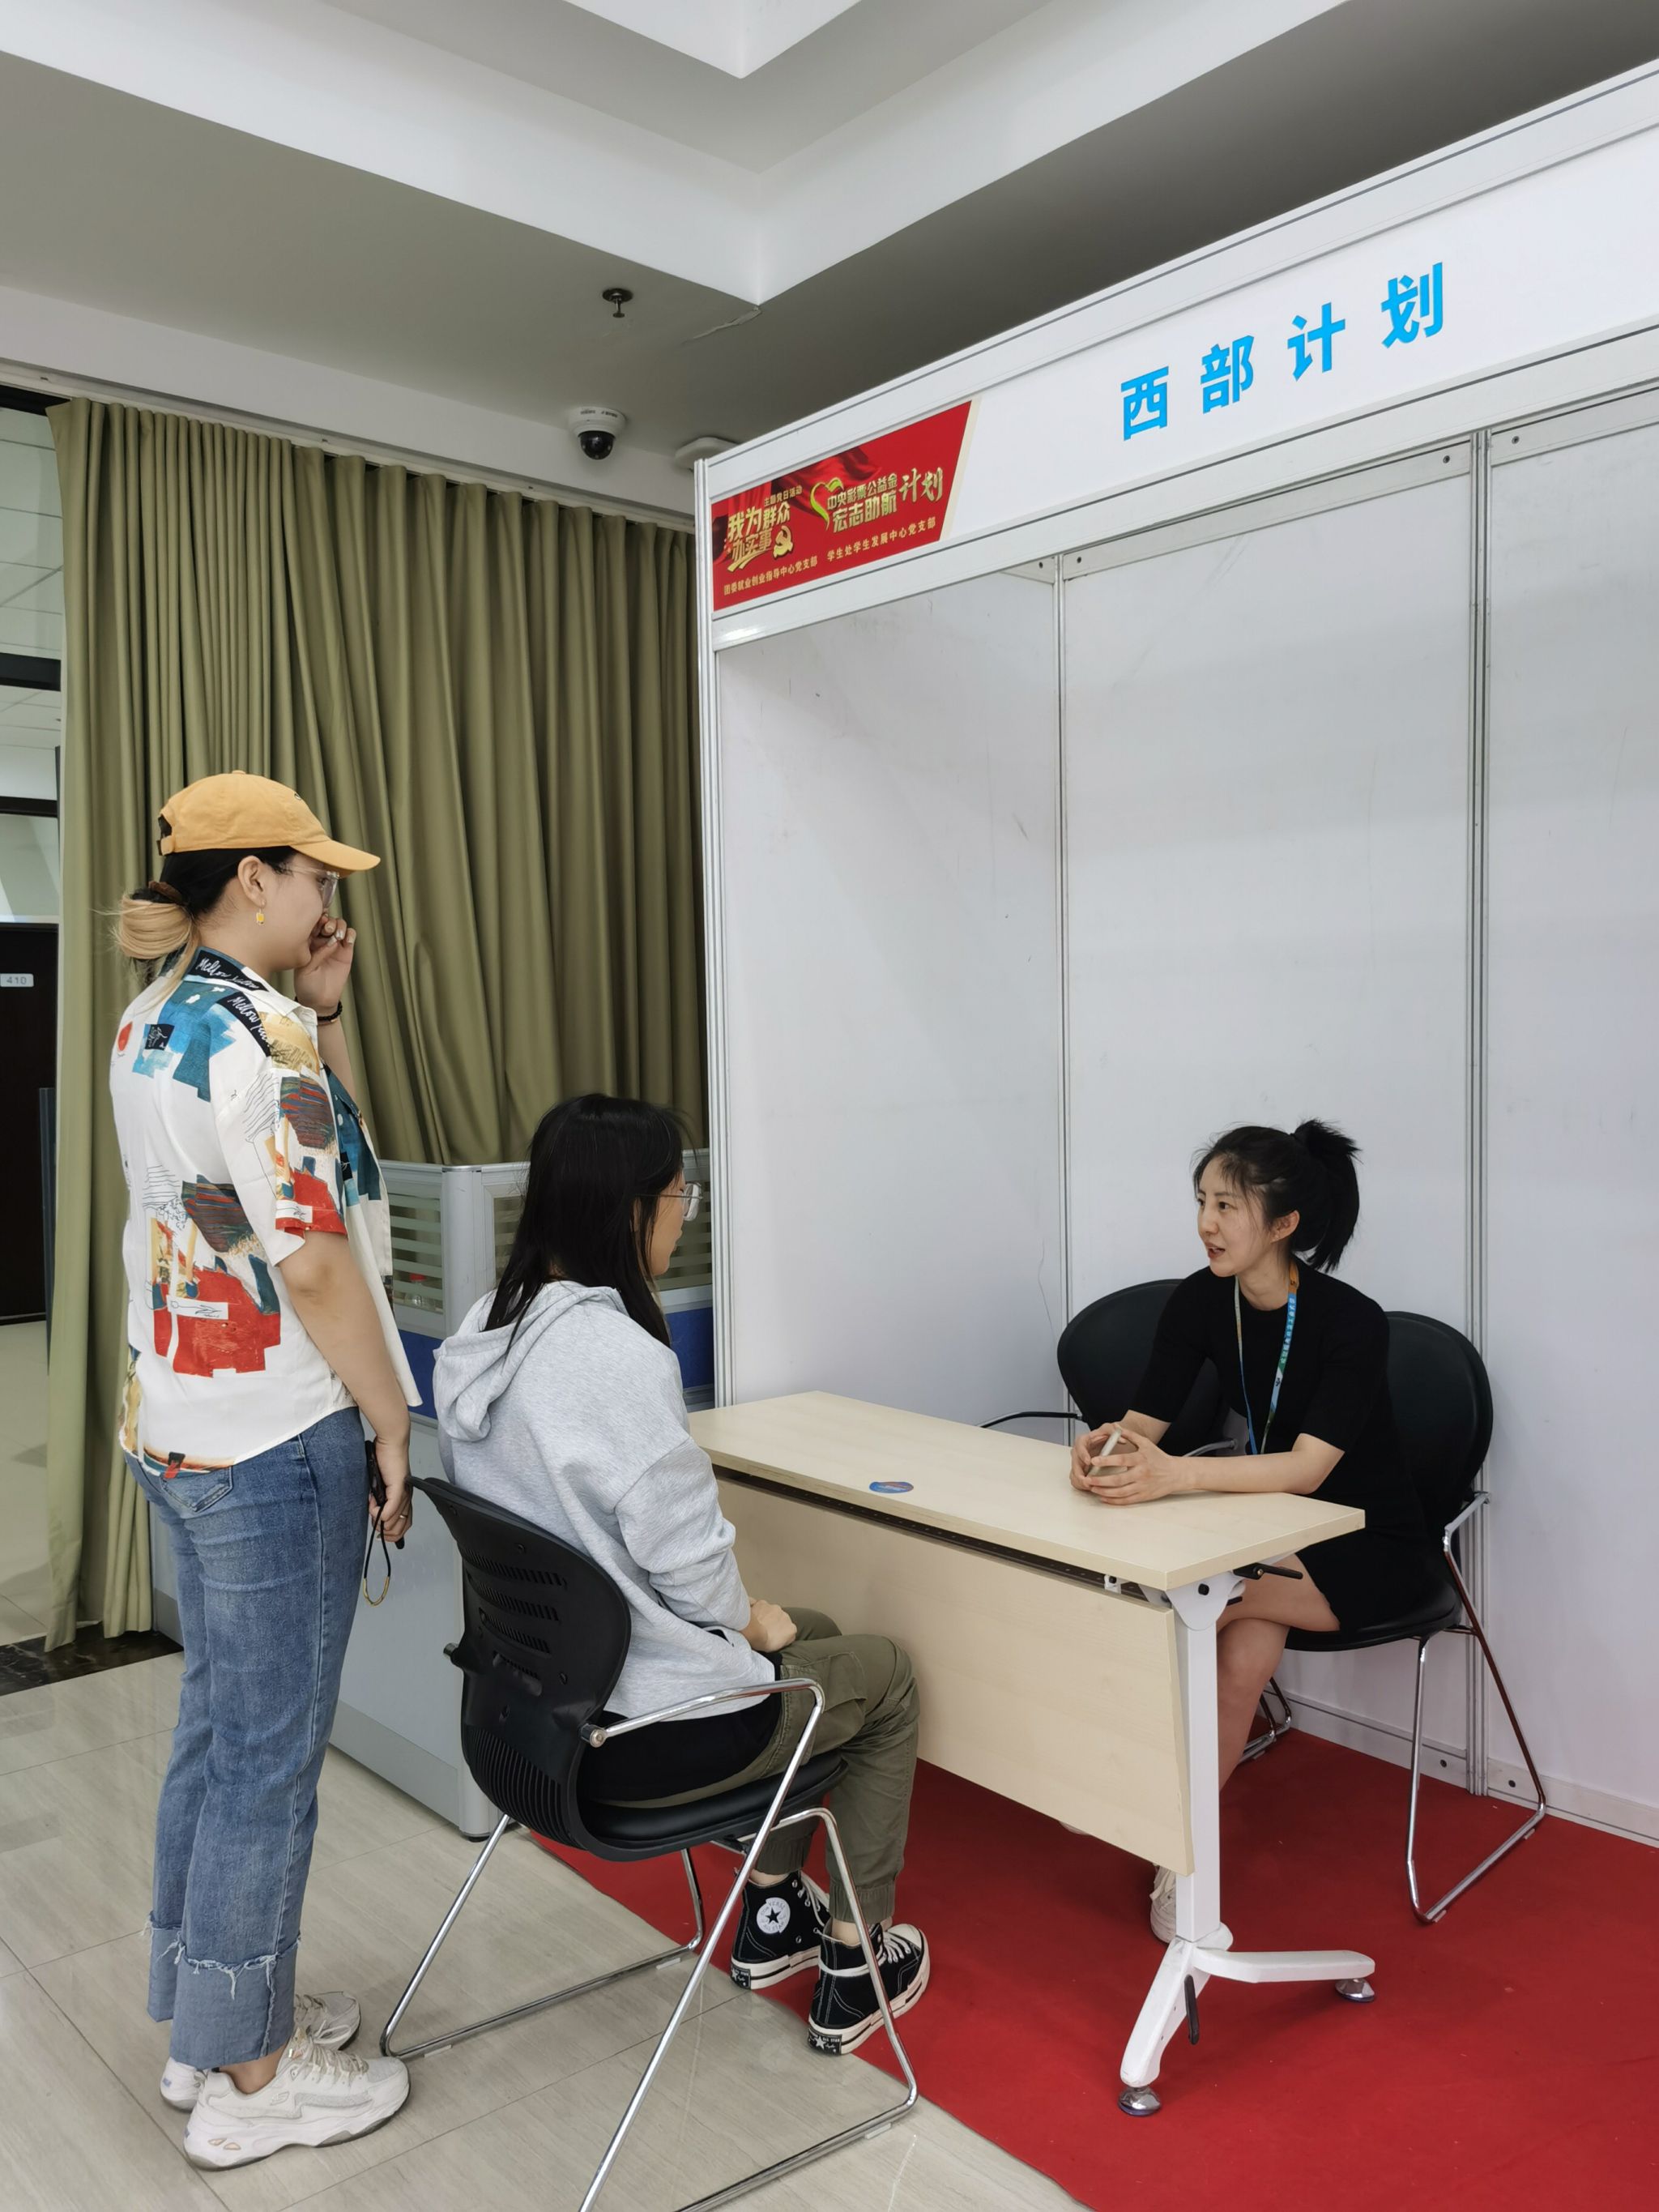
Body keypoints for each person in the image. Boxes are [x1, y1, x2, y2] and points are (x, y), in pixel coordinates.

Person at [434, 1093, 931, 2056]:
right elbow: (693, 1573)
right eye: (677, 1196)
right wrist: (746, 1624)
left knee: (816, 1631)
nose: (681, 1215)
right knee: (888, 1676)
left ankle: (774, 1913)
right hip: (637, 1742)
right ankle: (855, 1959)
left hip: (526, 1723)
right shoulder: (615, 1358)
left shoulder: (487, 1330)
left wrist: (755, 1623)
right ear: (629, 1210)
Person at [110, 771, 420, 2167]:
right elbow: (317, 1258)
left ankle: (208, 2024)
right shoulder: (262, 1040)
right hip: (278, 1431)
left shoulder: (159, 1018)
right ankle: (252, 2079)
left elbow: (307, 1179)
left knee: (219, 1730)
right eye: (311, 873)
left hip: (181, 1419)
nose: (327, 894)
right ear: (252, 879)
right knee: (269, 1761)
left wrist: (326, 1010)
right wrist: (389, 1423)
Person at [1068, 1120, 1439, 1941]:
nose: (1205, 1222)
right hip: (1268, 1533)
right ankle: (1183, 1856)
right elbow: (1144, 1422)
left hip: (1368, 1545)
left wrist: (1175, 1475)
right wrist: (1103, 1450)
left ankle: (1123, 1790)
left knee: (1199, 1605)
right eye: (1201, 1201)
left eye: (1226, 1206)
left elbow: (1307, 1468)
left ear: (1282, 1224)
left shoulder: (1351, 1321)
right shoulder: (1202, 1299)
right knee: (1236, 1658)